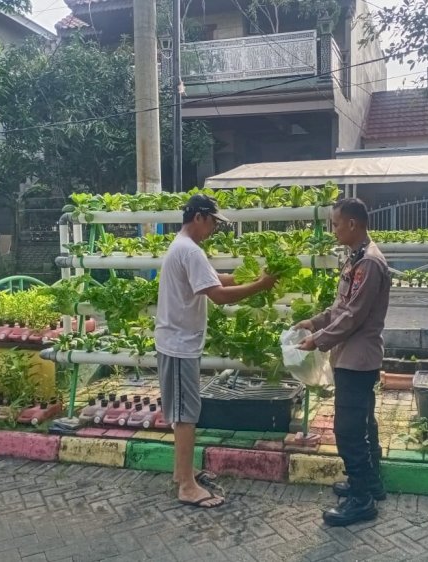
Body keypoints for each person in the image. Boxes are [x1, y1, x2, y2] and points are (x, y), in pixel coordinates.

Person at [155, 194, 277, 509]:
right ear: (199, 217)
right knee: (185, 416)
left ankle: (182, 472)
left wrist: (253, 278)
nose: (213, 229)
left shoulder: (182, 246)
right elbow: (220, 296)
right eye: (212, 222)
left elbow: (214, 280)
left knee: (182, 413)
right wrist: (260, 286)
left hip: (175, 342)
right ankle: (186, 485)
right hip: (179, 345)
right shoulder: (190, 251)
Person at [295, 197, 391, 526]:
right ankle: (369, 483)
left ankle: (361, 500)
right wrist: (315, 321)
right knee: (363, 423)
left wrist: (317, 341)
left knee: (348, 430)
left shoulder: (369, 264)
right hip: (351, 357)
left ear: (352, 223)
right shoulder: (357, 258)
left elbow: (352, 316)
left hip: (357, 359)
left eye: (336, 224)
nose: (333, 230)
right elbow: (340, 309)